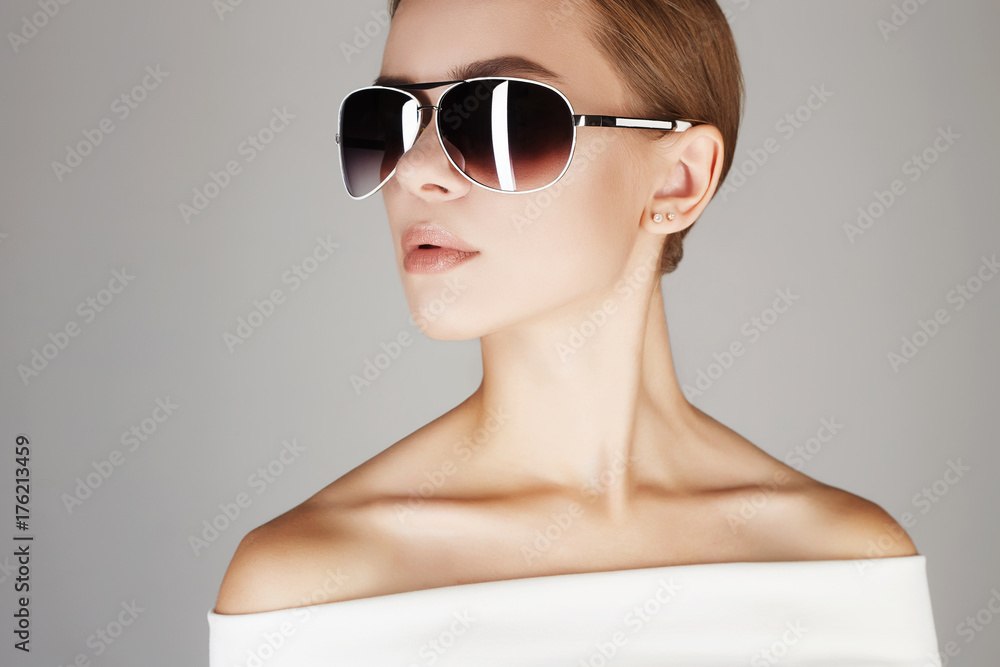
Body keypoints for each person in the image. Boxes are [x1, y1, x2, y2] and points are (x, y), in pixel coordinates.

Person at [208, 0, 940, 664]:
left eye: (500, 118)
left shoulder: (847, 566)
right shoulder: (304, 587)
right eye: (389, 120)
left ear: (678, 179)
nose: (417, 173)